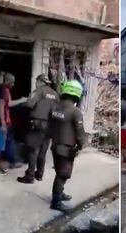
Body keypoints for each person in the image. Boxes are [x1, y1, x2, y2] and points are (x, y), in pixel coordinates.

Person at [49, 80, 86, 211]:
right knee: (62, 174)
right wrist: (82, 145)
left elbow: (50, 126)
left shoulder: (54, 108)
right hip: (67, 148)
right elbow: (80, 132)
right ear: (77, 94)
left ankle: (60, 193)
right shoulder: (75, 111)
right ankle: (56, 202)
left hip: (55, 145)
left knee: (59, 171)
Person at [17, 74, 59, 184]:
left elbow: (29, 104)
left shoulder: (39, 91)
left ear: (40, 81)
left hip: (37, 123)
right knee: (43, 151)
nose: (36, 83)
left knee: (32, 150)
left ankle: (30, 176)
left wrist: (22, 105)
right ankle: (39, 174)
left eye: (36, 81)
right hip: (50, 126)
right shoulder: (55, 94)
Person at [0, 73, 26, 174]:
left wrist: (21, 100)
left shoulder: (2, 89)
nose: (13, 85)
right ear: (8, 82)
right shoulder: (3, 91)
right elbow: (1, 107)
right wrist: (3, 123)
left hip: (3, 121)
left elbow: (8, 103)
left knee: (3, 143)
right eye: (12, 82)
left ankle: (6, 162)